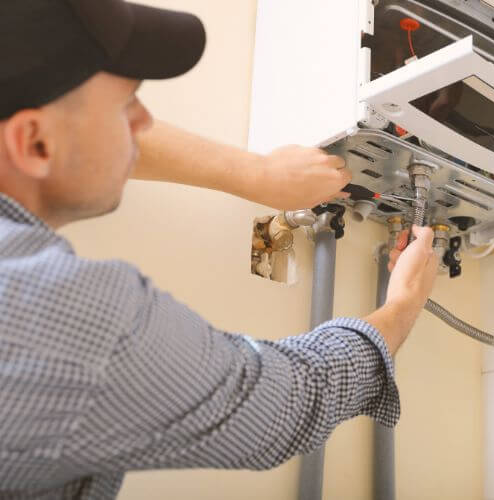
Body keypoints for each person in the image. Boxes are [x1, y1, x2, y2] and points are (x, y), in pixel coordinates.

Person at [0, 1, 438, 498]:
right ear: (33, 143)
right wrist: (402, 306)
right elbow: (288, 402)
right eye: (126, 106)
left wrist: (255, 173)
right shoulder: (57, 312)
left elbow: (66, 136)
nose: (144, 122)